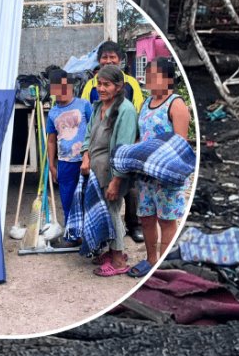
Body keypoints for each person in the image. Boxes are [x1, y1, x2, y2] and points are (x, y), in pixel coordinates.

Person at [127, 58, 193, 278]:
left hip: (166, 175)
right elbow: (141, 137)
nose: (149, 80)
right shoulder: (146, 103)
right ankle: (150, 259)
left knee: (166, 220)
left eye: (155, 75)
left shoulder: (176, 104)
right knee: (146, 218)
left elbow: (180, 145)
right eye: (148, 75)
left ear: (168, 79)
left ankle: (162, 268)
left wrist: (162, 165)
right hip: (146, 176)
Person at [81, 41, 145, 243]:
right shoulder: (91, 87)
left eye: (112, 57)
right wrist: (86, 152)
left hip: (126, 147)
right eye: (104, 57)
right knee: (106, 203)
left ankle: (133, 226)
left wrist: (133, 145)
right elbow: (88, 117)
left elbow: (136, 115)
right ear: (98, 61)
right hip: (99, 156)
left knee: (128, 190)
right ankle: (106, 241)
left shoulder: (130, 86)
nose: (108, 61)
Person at [80, 65, 138, 276]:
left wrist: (116, 180)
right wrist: (86, 155)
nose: (101, 88)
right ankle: (112, 250)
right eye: (99, 84)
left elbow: (123, 150)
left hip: (113, 173)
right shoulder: (98, 107)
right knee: (103, 212)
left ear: (119, 86)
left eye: (107, 84)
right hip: (96, 171)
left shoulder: (126, 111)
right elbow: (88, 135)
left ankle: (118, 260)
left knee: (113, 211)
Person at [45, 68, 92, 225]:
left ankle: (89, 235)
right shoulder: (52, 113)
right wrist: (52, 165)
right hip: (65, 163)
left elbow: (94, 130)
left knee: (88, 199)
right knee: (68, 200)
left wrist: (91, 156)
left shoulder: (84, 105)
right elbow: (51, 140)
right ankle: (72, 235)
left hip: (85, 160)